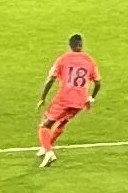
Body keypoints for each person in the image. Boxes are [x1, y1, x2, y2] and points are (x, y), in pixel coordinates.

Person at [35, 32, 101, 167]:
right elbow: (98, 83)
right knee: (62, 122)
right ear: (81, 45)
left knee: (44, 125)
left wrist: (42, 98)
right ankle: (46, 147)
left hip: (64, 99)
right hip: (80, 101)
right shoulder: (89, 60)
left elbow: (50, 80)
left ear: (70, 46)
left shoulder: (63, 59)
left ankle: (48, 152)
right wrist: (91, 98)